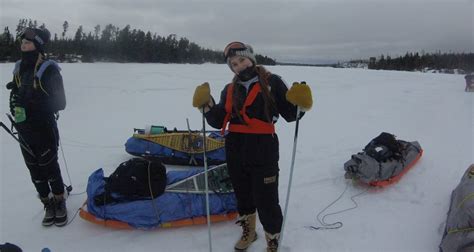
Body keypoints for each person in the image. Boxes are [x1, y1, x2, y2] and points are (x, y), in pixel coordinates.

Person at [192, 42, 312, 252]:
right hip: (235, 147)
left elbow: (291, 115)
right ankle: (249, 231)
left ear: (252, 59)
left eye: (242, 60)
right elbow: (218, 120)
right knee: (243, 195)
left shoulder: (272, 82)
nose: (239, 66)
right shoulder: (229, 89)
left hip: (263, 148)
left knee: (267, 200)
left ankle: (273, 239)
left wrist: (300, 103)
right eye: (234, 64)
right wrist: (207, 106)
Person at [6, 27, 67, 227]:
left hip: (43, 127)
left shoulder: (48, 69)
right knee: (34, 169)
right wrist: (14, 102)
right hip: (24, 129)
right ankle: (47, 202)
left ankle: (59, 201)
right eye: (22, 41)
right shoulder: (19, 68)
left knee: (49, 166)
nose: (23, 44)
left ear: (38, 45)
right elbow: (17, 97)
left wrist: (32, 103)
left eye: (28, 42)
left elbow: (60, 103)